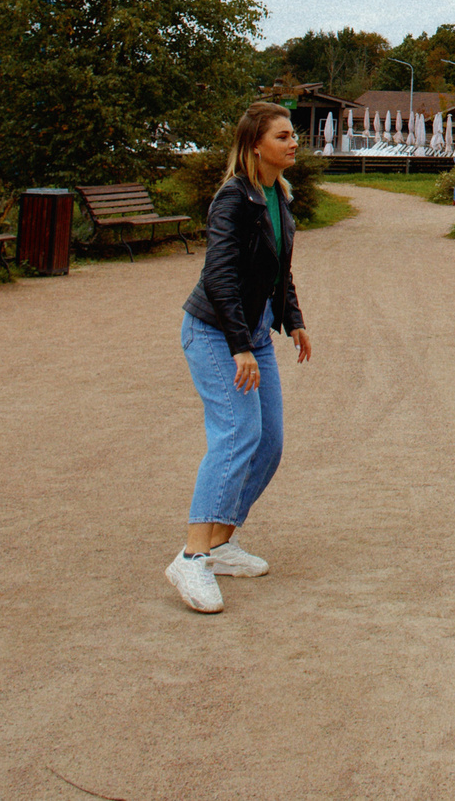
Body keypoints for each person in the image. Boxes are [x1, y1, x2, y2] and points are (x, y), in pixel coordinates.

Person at [166, 100, 317, 615]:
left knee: (268, 442)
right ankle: (191, 556)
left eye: (293, 134)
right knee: (237, 434)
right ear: (256, 145)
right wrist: (237, 346)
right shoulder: (233, 199)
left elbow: (278, 270)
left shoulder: (278, 195)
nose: (293, 142)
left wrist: (292, 320)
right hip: (214, 332)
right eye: (282, 136)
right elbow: (220, 278)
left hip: (251, 330)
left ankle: (222, 543)